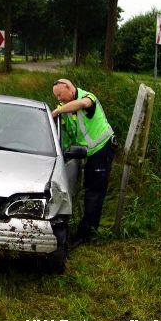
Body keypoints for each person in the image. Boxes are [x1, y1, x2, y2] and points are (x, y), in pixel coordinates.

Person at [51, 78, 117, 246]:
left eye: (60, 94)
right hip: (87, 154)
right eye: (56, 97)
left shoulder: (88, 97)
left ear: (68, 87)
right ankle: (84, 230)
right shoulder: (64, 109)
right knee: (89, 190)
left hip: (102, 149)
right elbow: (64, 136)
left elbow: (81, 104)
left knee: (94, 193)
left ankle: (86, 235)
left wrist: (57, 112)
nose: (59, 99)